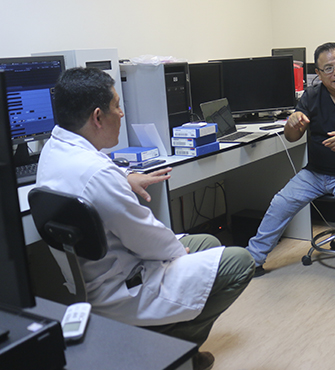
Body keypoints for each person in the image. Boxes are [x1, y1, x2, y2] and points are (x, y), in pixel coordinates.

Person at [37, 67, 255, 370]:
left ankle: (174, 343)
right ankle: (169, 348)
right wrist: (179, 252)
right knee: (239, 262)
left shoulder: (55, 149)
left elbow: (96, 175)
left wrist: (125, 177)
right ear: (98, 117)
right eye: (116, 105)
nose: (122, 113)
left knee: (208, 240)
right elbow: (146, 236)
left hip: (91, 279)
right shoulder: (97, 175)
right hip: (121, 288)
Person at [246, 42, 335, 309]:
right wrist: (292, 124)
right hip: (316, 173)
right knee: (281, 202)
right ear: (319, 73)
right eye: (329, 68)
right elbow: (292, 137)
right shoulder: (311, 96)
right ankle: (252, 261)